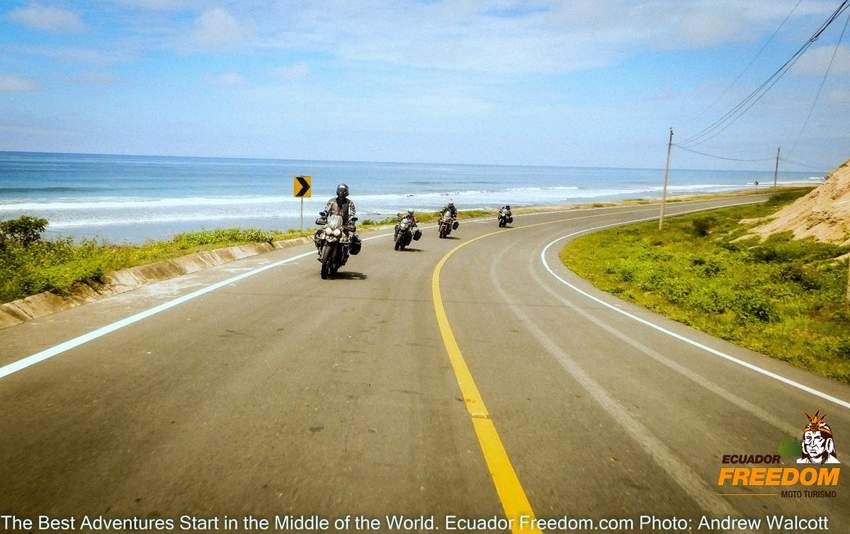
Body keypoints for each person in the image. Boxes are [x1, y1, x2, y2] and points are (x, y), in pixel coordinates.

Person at [316, 183, 361, 256]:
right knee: (319, 234)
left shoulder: (349, 203)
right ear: (337, 191)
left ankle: (344, 254)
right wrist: (323, 216)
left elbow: (352, 213)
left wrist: (352, 220)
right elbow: (326, 210)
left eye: (343, 191)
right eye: (340, 191)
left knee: (347, 241)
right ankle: (320, 249)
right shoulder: (332, 201)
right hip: (331, 224)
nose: (341, 193)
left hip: (343, 225)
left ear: (346, 192)